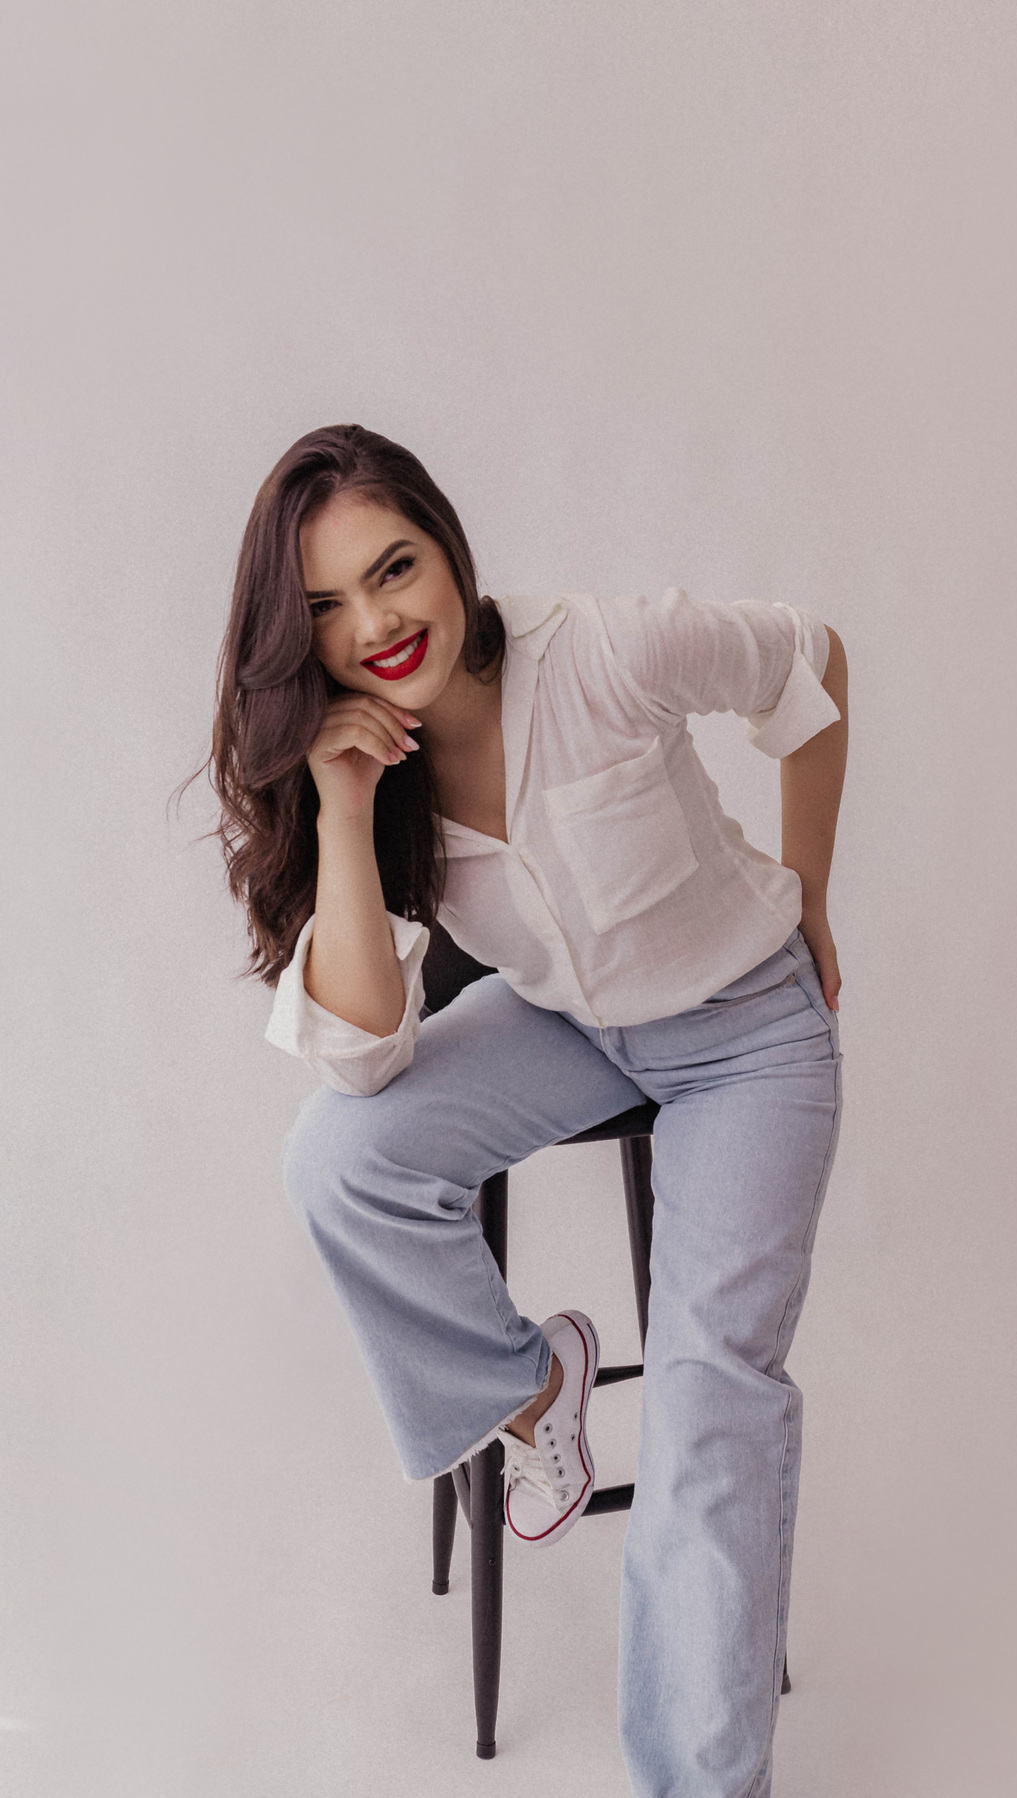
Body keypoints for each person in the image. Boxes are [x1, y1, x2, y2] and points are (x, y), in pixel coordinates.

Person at [206, 422, 847, 1798]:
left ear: (448, 546)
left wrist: (813, 893)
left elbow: (813, 662)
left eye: (394, 569)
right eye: (327, 606)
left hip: (748, 1038)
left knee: (708, 1404)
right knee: (339, 1161)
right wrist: (341, 802)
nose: (377, 624)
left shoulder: (610, 650)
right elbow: (362, 1063)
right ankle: (533, 1388)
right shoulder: (376, 758)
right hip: (573, 1023)